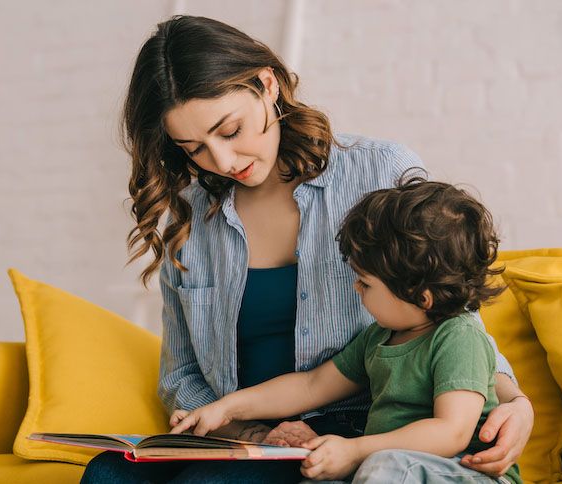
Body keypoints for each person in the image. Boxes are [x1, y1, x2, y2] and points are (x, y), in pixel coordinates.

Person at [81, 14, 533, 484]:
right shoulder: (189, 220)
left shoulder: (377, 171)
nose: (222, 161)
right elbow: (182, 377)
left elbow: (451, 313)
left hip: (353, 434)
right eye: (193, 148)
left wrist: (518, 405)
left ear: (268, 85)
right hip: (243, 438)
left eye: (231, 130)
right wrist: (248, 432)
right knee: (107, 475)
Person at [170, 176, 522, 483]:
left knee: (386, 469)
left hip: (463, 472)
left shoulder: (458, 337)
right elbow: (310, 385)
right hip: (382, 467)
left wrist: (355, 451)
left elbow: (452, 432)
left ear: (422, 297)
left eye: (366, 284)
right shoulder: (378, 337)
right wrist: (227, 408)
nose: (355, 289)